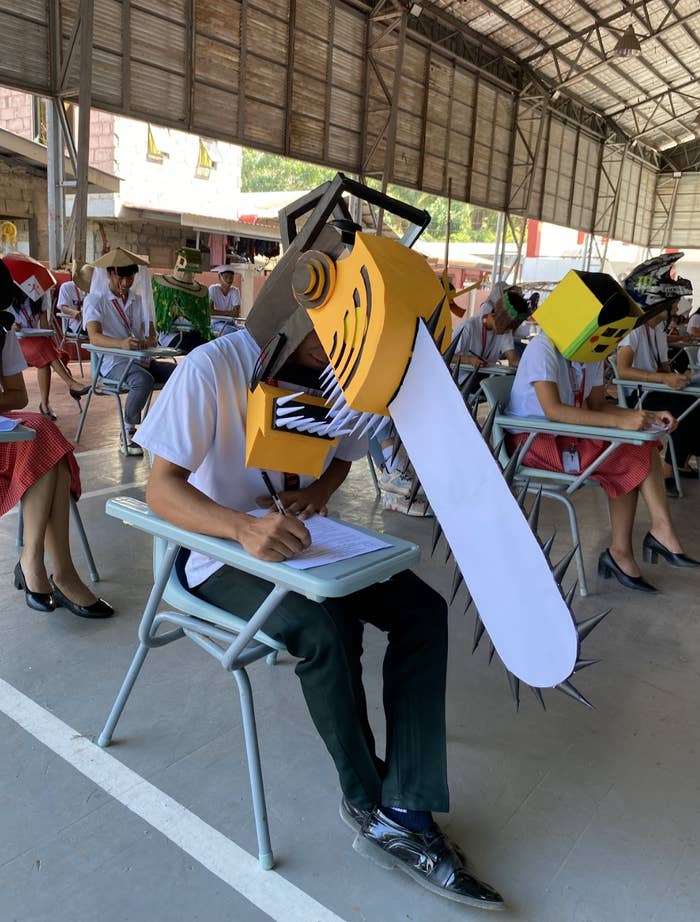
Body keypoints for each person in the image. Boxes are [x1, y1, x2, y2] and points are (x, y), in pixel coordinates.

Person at [134, 232, 504, 909]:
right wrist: (243, 525)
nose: (331, 356)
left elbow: (343, 449)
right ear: (295, 311)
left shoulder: (339, 372)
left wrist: (322, 491)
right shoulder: (211, 369)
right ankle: (370, 805)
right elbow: (161, 489)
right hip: (214, 555)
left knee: (422, 611)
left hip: (307, 538)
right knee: (322, 623)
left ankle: (407, 801)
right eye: (323, 339)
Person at [507, 328, 699, 592]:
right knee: (628, 453)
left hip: (569, 434)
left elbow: (598, 405)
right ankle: (635, 546)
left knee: (638, 447)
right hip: (535, 441)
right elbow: (553, 411)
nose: (614, 341)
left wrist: (649, 417)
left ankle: (639, 543)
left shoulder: (592, 352)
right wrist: (623, 422)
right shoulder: (543, 347)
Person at [0, 267, 113, 618]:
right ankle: (55, 570)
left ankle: (38, 563)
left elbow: (17, 395)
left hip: (4, 435)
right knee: (50, 451)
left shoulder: (0, 328)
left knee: (44, 438)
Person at [82, 247, 176, 457]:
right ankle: (128, 432)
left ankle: (166, 426)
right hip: (113, 363)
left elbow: (151, 335)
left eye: (130, 278)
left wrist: (147, 341)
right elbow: (94, 337)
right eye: (121, 278)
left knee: (180, 374)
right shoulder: (95, 300)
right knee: (143, 381)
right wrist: (121, 344)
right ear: (110, 273)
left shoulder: (137, 300)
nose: (125, 284)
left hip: (140, 360)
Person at [617, 308, 700, 495]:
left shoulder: (659, 329)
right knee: (684, 409)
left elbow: (663, 368)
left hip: (655, 391)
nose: (678, 308)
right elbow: (623, 371)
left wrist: (680, 377)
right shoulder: (635, 329)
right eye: (675, 303)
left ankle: (680, 463)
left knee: (693, 404)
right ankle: (668, 471)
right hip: (638, 397)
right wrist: (663, 379)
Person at [8, 285, 90, 420]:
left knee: (44, 356)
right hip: (16, 342)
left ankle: (46, 404)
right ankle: (68, 385)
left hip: (37, 342)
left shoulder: (39, 296)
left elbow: (44, 325)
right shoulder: (7, 298)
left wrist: (47, 332)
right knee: (45, 351)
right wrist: (12, 325)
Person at [454, 283, 529, 373]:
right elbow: (446, 356)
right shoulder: (468, 327)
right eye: (507, 327)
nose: (509, 331)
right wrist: (469, 360)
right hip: (460, 380)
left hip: (484, 378)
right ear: (499, 317)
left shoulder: (505, 331)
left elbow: (513, 360)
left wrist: (530, 368)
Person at [152, 248, 212, 352]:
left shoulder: (196, 302)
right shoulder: (165, 299)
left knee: (210, 343)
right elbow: (160, 322)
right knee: (199, 347)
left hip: (192, 334)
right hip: (170, 335)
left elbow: (203, 323)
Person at [56, 263, 93, 335]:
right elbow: (62, 307)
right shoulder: (66, 287)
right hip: (75, 324)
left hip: (89, 321)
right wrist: (73, 312)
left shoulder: (92, 288)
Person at [208, 265, 241, 334]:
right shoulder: (213, 289)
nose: (229, 280)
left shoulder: (235, 291)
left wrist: (219, 312)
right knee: (232, 331)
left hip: (230, 322)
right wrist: (229, 313)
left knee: (246, 331)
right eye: (226, 277)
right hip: (216, 323)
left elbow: (236, 313)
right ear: (220, 277)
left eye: (231, 277)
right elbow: (210, 311)